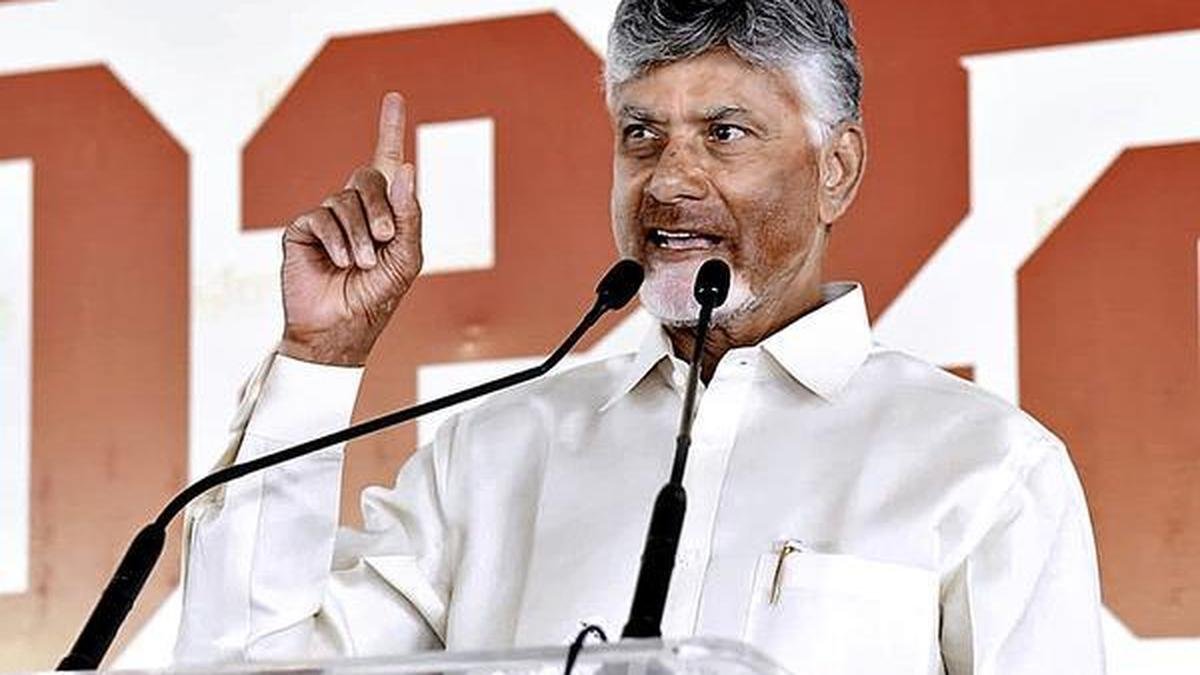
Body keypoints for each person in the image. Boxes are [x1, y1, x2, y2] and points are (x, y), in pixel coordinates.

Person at [175, 1, 1106, 672]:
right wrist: (321, 358)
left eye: (725, 132)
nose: (668, 180)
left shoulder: (986, 467)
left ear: (836, 169)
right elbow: (245, 665)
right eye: (641, 134)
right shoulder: (493, 455)